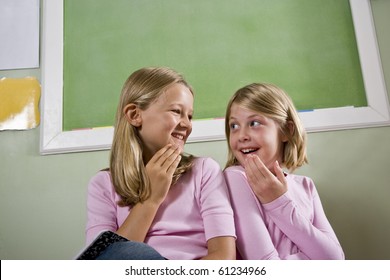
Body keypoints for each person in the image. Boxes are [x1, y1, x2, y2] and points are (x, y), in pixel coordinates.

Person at [85, 67, 236, 260]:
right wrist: (150, 199)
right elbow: (100, 262)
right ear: (134, 115)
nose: (187, 124)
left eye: (189, 116)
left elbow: (224, 259)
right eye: (176, 111)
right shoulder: (103, 184)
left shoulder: (205, 171)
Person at [223, 83, 344, 260]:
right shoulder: (235, 179)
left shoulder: (305, 186)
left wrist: (277, 202)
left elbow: (335, 259)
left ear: (287, 130)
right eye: (234, 126)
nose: (242, 136)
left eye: (254, 123)